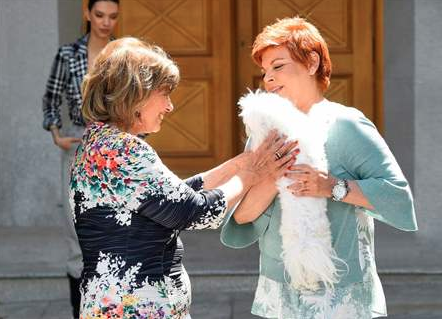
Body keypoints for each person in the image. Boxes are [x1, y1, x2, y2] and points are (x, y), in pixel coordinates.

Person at [69, 37, 297, 318]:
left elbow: (172, 196)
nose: (169, 106)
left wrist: (241, 164)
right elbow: (189, 210)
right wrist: (251, 175)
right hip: (134, 308)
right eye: (164, 94)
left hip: (112, 303)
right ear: (136, 94)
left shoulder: (99, 144)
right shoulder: (122, 150)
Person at [221, 17, 418, 319]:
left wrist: (332, 187)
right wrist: (270, 177)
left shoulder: (347, 124)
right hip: (279, 291)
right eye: (264, 72)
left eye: (278, 66)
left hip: (340, 294)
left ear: (311, 63)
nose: (268, 79)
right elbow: (243, 216)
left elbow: (398, 197)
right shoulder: (265, 134)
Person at [41, 0, 119, 317]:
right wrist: (56, 132)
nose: (105, 22)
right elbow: (51, 96)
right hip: (76, 143)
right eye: (99, 15)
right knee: (76, 227)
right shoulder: (68, 54)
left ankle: (110, 307)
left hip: (114, 146)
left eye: (113, 17)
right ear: (87, 14)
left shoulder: (124, 53)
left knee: (113, 226)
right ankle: (81, 311)